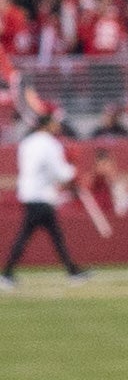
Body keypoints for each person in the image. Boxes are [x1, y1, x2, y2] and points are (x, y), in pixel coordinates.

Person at [6, 105, 85, 284]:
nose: (57, 126)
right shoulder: (49, 144)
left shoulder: (27, 142)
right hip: (41, 196)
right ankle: (7, 273)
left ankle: (72, 270)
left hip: (29, 193)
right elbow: (59, 171)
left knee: (51, 235)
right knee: (32, 235)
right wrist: (73, 169)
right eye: (54, 123)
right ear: (47, 124)